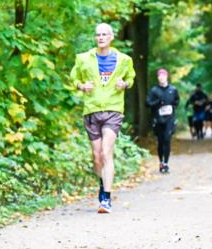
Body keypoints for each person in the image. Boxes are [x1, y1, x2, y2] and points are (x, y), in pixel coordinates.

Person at [69, 22, 135, 213]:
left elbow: (131, 78)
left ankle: (106, 198)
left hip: (113, 110)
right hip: (91, 109)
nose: (101, 38)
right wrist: (82, 86)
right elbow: (75, 78)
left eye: (105, 34)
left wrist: (125, 84)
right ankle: (102, 182)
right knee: (97, 157)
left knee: (106, 152)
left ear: (111, 37)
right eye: (98, 35)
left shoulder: (124, 60)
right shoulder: (83, 59)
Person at [146, 68, 179, 173]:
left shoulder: (173, 89)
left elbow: (176, 101)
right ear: (158, 78)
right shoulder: (154, 90)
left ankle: (166, 163)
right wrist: (157, 103)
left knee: (167, 139)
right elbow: (148, 104)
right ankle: (161, 162)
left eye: (163, 75)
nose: (161, 77)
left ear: (167, 76)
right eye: (159, 76)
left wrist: (172, 106)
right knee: (160, 142)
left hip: (169, 119)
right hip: (158, 119)